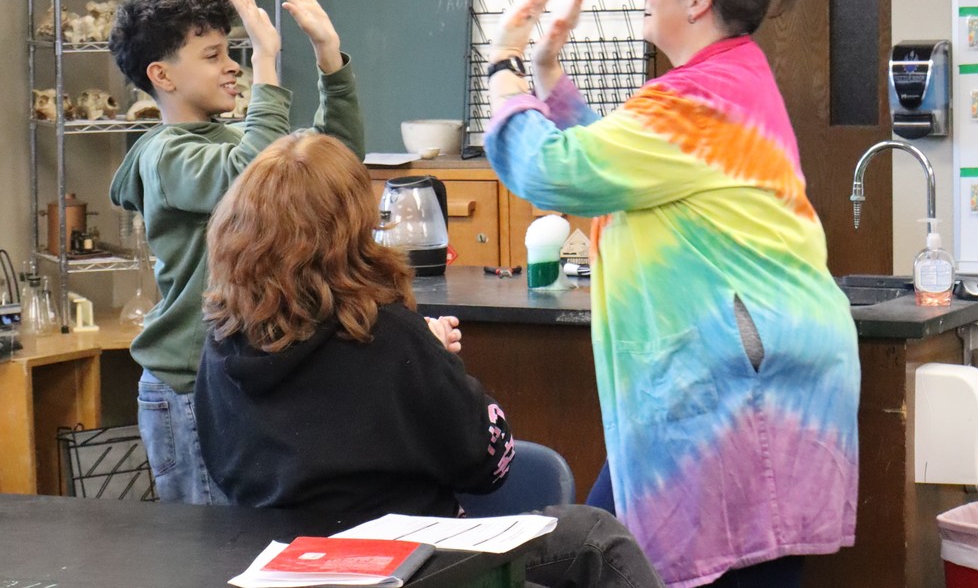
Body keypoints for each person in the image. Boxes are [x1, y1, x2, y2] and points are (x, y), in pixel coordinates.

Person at [483, 0, 860, 588]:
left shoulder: (699, 101)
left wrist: (504, 66)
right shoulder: (717, 84)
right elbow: (619, 170)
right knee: (606, 552)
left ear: (697, 1)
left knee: (640, 559)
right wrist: (547, 75)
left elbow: (553, 170)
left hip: (741, 389)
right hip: (720, 383)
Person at [194, 132, 666, 588]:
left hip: (281, 563)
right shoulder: (384, 335)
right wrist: (435, 357)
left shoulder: (221, 344)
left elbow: (225, 469)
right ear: (351, 229)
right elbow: (491, 465)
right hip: (409, 563)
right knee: (597, 538)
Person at [108, 0, 364, 505]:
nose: (233, 66)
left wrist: (329, 57)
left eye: (234, 52)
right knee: (209, 545)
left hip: (235, 376)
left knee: (245, 541)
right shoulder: (164, 156)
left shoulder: (229, 139)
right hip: (188, 387)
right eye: (213, 55)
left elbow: (334, 164)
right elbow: (248, 176)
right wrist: (266, 62)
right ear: (162, 75)